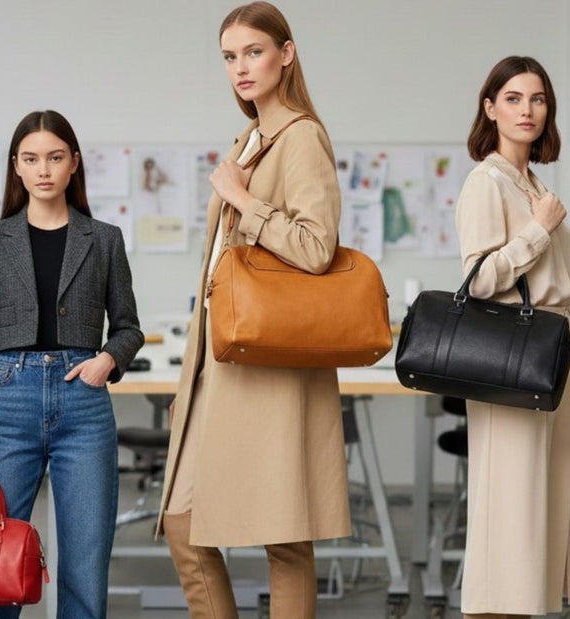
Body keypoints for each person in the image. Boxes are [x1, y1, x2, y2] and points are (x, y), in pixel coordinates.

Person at [156, 3, 348, 618]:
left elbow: (317, 248)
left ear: (286, 53)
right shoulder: (250, 139)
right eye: (229, 57)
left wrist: (242, 198)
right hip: (222, 357)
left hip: (271, 361)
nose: (240, 67)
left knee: (284, 535)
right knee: (182, 521)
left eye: (253, 52)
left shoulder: (302, 135)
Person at [0, 110, 144, 619]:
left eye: (55, 157)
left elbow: (128, 327)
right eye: (32, 158)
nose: (44, 169)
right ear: (16, 168)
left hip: (83, 404)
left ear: (73, 164)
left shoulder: (103, 239)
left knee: (85, 563)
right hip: (8, 405)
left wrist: (106, 360)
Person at [453, 56, 570, 618]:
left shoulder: (531, 182)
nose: (527, 110)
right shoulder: (486, 181)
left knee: (540, 514)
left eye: (537, 99)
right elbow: (479, 279)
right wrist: (538, 231)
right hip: (514, 358)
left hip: (554, 356)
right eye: (513, 98)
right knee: (510, 516)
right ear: (490, 108)